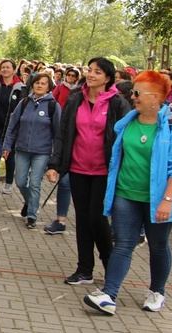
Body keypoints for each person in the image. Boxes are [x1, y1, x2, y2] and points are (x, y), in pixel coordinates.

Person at [82, 71, 172, 315]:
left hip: (159, 200)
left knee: (158, 246)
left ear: (156, 97)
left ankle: (157, 291)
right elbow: (116, 160)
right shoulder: (128, 122)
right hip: (125, 195)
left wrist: (168, 201)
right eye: (133, 92)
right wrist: (110, 192)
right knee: (123, 244)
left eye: (138, 93)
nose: (133, 97)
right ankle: (109, 294)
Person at [47, 57, 131, 285]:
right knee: (83, 219)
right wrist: (54, 164)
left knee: (98, 218)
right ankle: (84, 269)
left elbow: (124, 140)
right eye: (90, 70)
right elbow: (63, 134)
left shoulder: (118, 104)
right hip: (78, 169)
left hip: (104, 171)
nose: (91, 74)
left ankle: (110, 267)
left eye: (98, 72)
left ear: (108, 78)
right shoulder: (75, 100)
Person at [2, 73, 61, 229]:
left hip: (42, 152)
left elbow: (58, 133)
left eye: (43, 83)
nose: (39, 85)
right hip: (22, 149)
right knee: (20, 181)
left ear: (49, 87)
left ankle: (32, 215)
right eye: (37, 83)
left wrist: (55, 156)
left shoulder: (53, 106)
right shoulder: (24, 102)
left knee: (35, 183)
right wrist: (7, 145)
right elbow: (12, 127)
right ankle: (29, 202)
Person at [0, 59, 26, 197]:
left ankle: (8, 182)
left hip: (12, 129)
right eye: (3, 67)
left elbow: (22, 110)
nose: (5, 70)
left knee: (9, 156)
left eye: (8, 67)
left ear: (14, 70)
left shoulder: (21, 88)